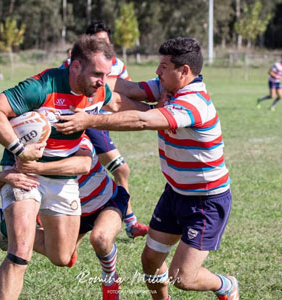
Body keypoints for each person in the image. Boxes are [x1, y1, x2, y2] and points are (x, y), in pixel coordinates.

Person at [56, 37, 239, 300]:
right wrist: (75, 78)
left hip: (205, 201)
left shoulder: (193, 103)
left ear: (184, 71)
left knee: (182, 277)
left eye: (164, 66)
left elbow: (143, 120)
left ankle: (226, 285)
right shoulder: (168, 88)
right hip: (175, 194)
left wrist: (89, 120)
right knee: (151, 261)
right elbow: (126, 87)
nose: (157, 71)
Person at [0, 35, 146, 300]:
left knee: (62, 256)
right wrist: (20, 150)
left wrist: (162, 110)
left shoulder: (98, 91)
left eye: (106, 74)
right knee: (19, 253)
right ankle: (14, 233)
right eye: (97, 74)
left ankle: (5, 226)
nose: (102, 81)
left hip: (63, 176)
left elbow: (119, 103)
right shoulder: (41, 87)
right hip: (23, 171)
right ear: (75, 66)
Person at [0, 134, 128, 299]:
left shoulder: (78, 141)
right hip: (73, 211)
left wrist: (37, 168)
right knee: (64, 259)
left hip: (107, 201)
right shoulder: (33, 152)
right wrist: (5, 176)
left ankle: (110, 278)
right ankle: (7, 227)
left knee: (101, 238)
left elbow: (82, 165)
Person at [84, 21, 148, 239]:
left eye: (106, 40)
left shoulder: (117, 64)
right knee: (121, 169)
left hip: (104, 125)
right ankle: (130, 222)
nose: (104, 44)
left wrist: (149, 107)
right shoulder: (76, 63)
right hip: (88, 124)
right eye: (99, 40)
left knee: (83, 174)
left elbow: (126, 94)